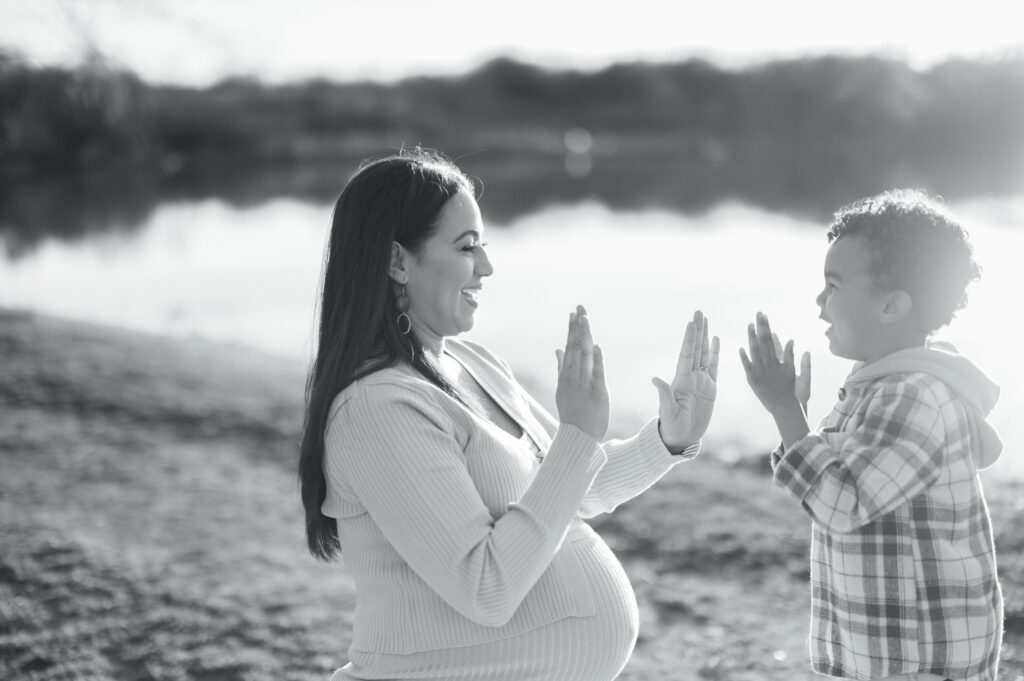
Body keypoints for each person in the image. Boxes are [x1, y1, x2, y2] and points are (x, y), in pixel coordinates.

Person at [297, 148, 721, 681]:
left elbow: (573, 487)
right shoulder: (377, 410)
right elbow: (485, 587)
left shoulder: (470, 362)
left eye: (484, 245)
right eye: (466, 247)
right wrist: (576, 433)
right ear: (398, 261)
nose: (487, 267)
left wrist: (666, 440)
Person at [739, 189, 1003, 681]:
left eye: (834, 286)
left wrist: (784, 412)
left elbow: (843, 503)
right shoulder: (879, 382)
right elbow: (839, 479)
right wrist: (796, 415)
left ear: (891, 306)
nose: (819, 302)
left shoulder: (914, 395)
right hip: (889, 652)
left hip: (923, 659)